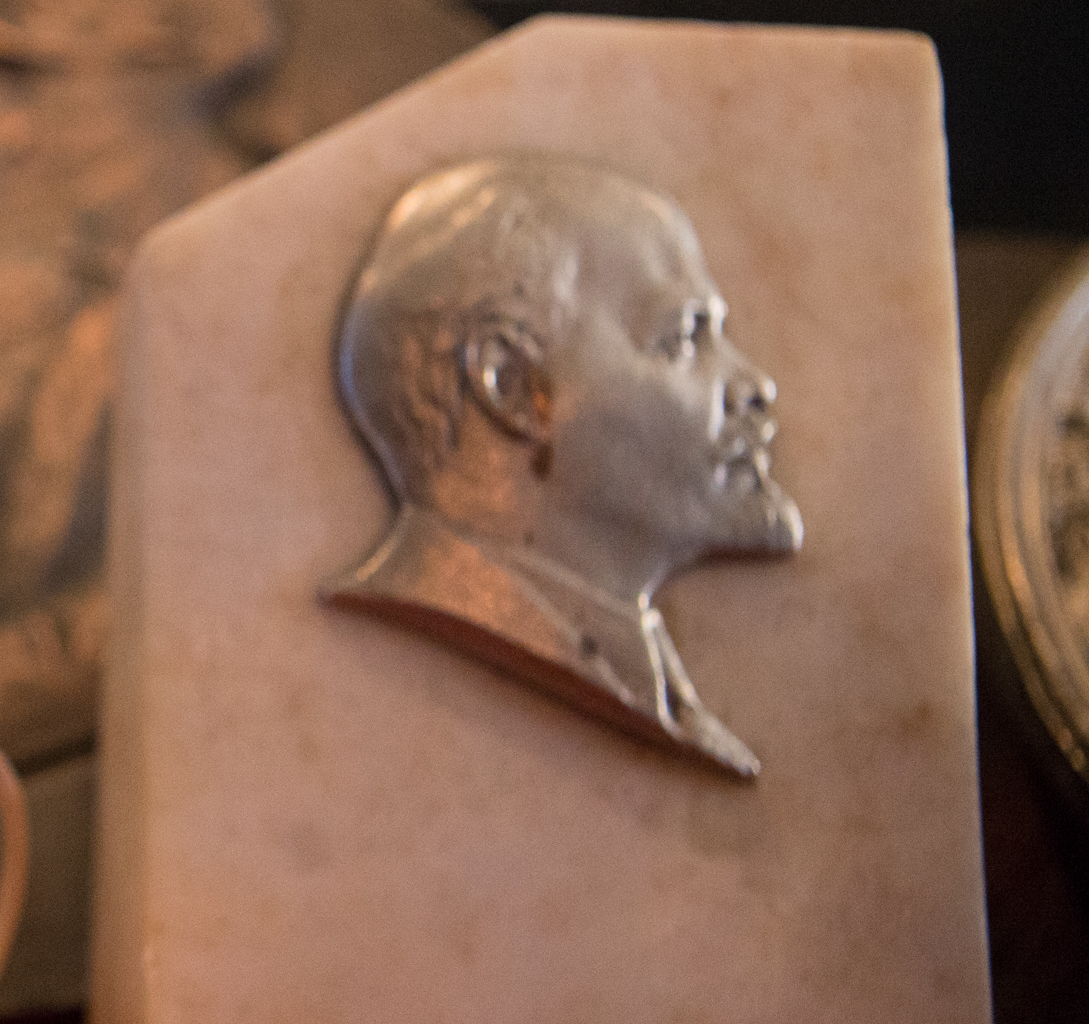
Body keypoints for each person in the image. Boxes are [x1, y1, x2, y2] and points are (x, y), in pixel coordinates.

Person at [325, 153, 802, 777]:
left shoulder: (649, 682)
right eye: (686, 337)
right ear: (511, 384)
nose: (756, 385)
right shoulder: (371, 708)